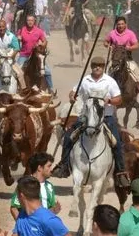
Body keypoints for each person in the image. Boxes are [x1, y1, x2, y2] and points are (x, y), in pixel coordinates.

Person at [51, 56, 129, 188]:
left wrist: (109, 101)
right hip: (85, 117)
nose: (97, 67)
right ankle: (64, 165)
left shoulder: (110, 81)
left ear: (103, 67)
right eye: (94, 65)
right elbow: (73, 92)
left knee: (117, 143)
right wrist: (72, 97)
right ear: (91, 67)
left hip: (106, 117)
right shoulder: (85, 80)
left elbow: (119, 99)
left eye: (100, 65)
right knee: (69, 137)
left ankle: (120, 172)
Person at [105, 16, 139, 104]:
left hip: (128, 60)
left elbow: (137, 45)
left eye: (122, 24)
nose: (120, 26)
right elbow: (106, 41)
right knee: (106, 73)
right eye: (119, 24)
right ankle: (105, 93)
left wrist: (129, 48)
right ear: (116, 25)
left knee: (137, 74)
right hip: (115, 60)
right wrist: (108, 45)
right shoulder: (112, 33)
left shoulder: (130, 33)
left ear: (125, 24)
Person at [10, 152, 61, 220]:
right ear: (39, 168)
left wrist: (54, 210)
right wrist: (21, 224)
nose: (52, 169)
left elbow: (49, 210)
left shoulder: (49, 186)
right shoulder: (25, 184)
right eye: (49, 166)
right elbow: (14, 208)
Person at [16, 14, 52, 90]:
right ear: (26, 21)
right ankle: (17, 89)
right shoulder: (22, 30)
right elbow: (17, 41)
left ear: (34, 21)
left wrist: (41, 44)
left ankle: (51, 89)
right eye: (28, 20)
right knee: (17, 72)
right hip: (24, 55)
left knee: (47, 71)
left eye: (31, 20)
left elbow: (45, 41)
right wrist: (18, 39)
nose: (30, 22)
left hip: (36, 55)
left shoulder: (39, 31)